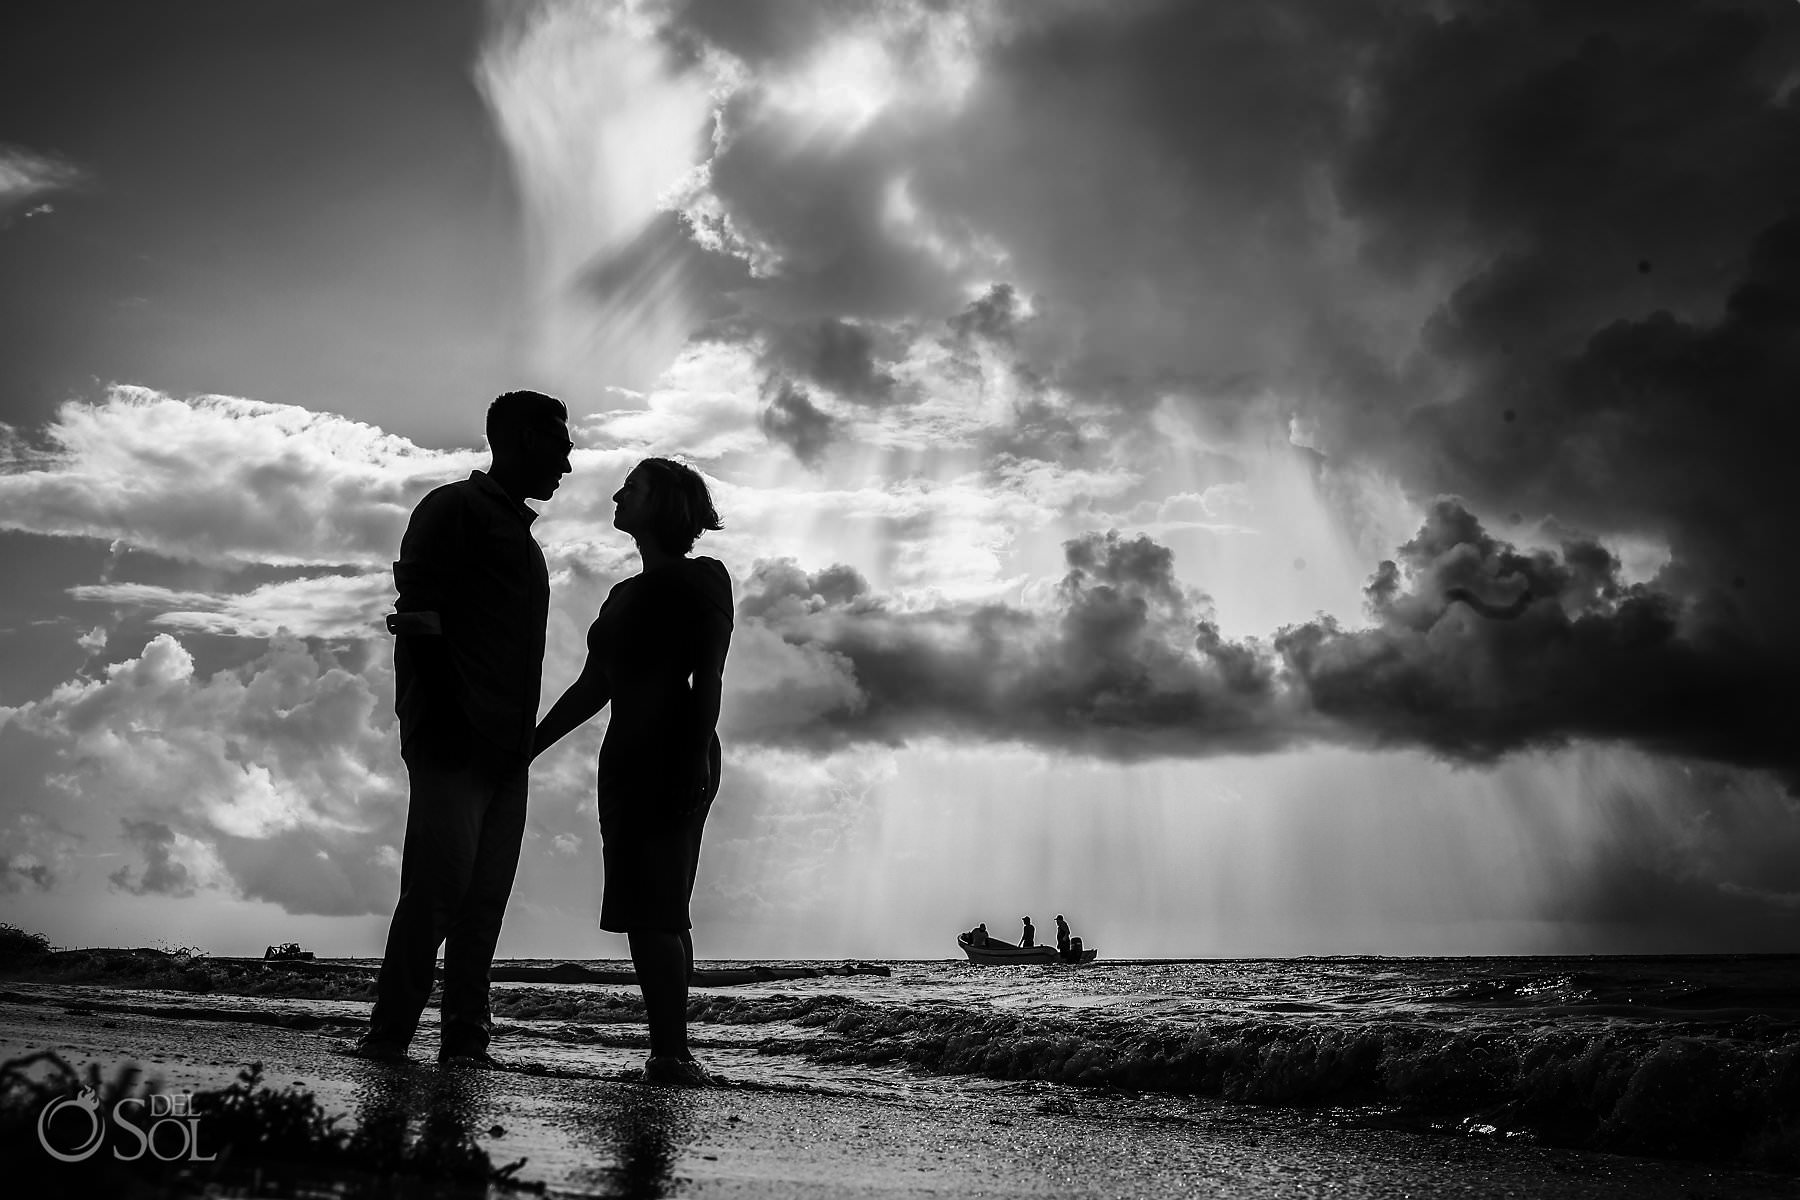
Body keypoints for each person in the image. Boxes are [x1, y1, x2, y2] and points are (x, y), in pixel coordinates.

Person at [355, 390, 572, 1066]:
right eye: (560, 442)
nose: (569, 459)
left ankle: (466, 1043)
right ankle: (388, 1035)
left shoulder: (519, 533)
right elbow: (417, 615)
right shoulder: (453, 508)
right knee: (438, 891)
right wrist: (446, 719)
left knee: (483, 905)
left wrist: (518, 744)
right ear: (526, 439)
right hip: (454, 740)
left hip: (507, 751)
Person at [534, 458, 731, 1087]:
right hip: (625, 757)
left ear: (665, 505)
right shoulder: (620, 595)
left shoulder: (704, 578)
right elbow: (596, 684)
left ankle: (672, 1052)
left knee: (657, 908)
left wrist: (696, 752)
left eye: (634, 489)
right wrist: (532, 743)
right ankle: (671, 1046)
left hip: (676, 748)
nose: (619, 495)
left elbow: (709, 674)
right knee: (657, 909)